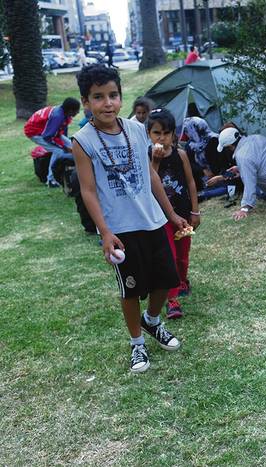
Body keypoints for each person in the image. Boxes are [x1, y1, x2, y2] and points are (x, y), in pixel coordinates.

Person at [72, 64, 189, 373]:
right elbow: (88, 191)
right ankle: (137, 344)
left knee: (166, 279)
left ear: (120, 97)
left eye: (113, 95)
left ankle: (152, 321)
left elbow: (150, 174)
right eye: (98, 97)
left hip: (151, 220)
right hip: (121, 228)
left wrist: (171, 213)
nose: (107, 103)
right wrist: (105, 231)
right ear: (86, 102)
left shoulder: (136, 129)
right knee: (132, 290)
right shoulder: (83, 140)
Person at [147, 108, 201, 319]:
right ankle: (172, 299)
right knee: (168, 257)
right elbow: (150, 182)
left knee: (182, 257)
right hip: (160, 219)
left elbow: (190, 183)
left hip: (183, 215)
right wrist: (156, 161)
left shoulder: (181, 155)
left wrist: (194, 212)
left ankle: (182, 280)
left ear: (173, 134)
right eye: (157, 133)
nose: (162, 138)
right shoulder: (147, 158)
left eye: (166, 133)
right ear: (148, 135)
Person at [23, 97, 81, 187]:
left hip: (46, 131)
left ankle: (71, 171)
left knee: (73, 146)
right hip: (35, 132)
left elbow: (60, 131)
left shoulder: (64, 113)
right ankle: (51, 180)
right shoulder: (57, 116)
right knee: (58, 151)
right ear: (70, 110)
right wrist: (63, 147)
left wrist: (66, 145)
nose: (77, 113)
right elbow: (48, 136)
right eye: (76, 111)